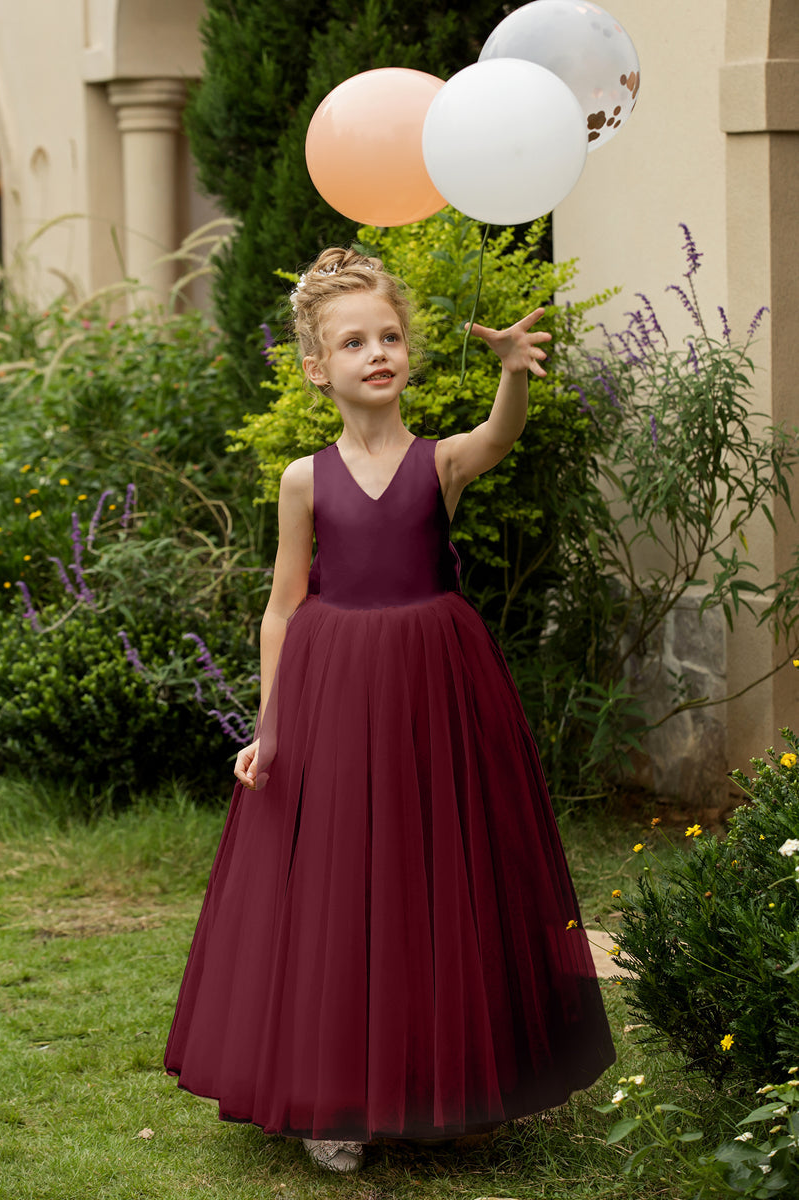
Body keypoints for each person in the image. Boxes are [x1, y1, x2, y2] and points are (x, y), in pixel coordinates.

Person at [165, 247, 616, 1174]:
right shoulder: (304, 479)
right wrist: (270, 728)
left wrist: (509, 377)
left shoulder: (438, 461)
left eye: (391, 336)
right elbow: (284, 604)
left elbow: (499, 438)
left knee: (438, 874)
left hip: (434, 686)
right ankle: (336, 1095)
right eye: (354, 341)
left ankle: (451, 1089)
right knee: (338, 882)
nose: (378, 352)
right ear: (315, 367)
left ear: (408, 352)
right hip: (333, 690)